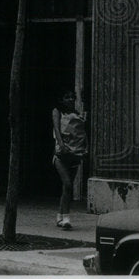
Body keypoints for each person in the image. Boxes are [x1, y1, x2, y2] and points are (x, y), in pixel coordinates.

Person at [52, 89, 87, 230]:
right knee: (67, 184)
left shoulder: (77, 115)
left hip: (75, 155)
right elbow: (56, 129)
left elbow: (83, 134)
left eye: (72, 97)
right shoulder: (57, 111)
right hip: (61, 155)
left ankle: (60, 215)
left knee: (66, 188)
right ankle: (66, 217)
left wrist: (84, 149)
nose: (71, 99)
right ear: (61, 99)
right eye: (67, 97)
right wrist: (61, 145)